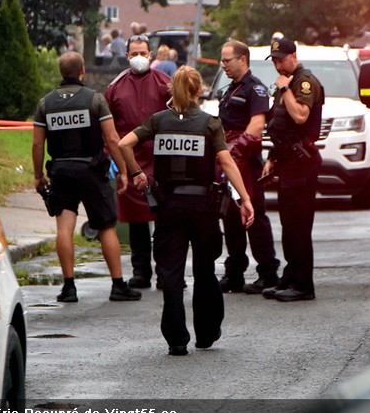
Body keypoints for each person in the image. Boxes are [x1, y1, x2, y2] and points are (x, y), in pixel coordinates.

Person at [118, 66, 255, 355]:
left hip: (169, 207)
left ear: (173, 91)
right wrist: (244, 198)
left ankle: (177, 339)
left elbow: (124, 143)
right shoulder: (209, 124)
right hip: (203, 207)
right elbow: (227, 163)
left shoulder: (158, 121)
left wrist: (136, 173)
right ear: (196, 91)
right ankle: (206, 333)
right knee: (205, 270)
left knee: (170, 274)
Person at [32, 51, 141, 303]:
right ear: (82, 71)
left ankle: (69, 287)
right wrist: (123, 170)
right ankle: (117, 285)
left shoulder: (45, 104)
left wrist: (38, 175)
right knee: (105, 226)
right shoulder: (95, 100)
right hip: (92, 171)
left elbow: (38, 145)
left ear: (62, 73)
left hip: (61, 171)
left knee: (64, 228)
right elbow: (112, 139)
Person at [104, 34, 172, 289]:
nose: (139, 58)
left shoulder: (166, 83)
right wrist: (112, 158)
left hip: (163, 159)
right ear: (127, 56)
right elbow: (107, 125)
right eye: (134, 53)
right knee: (136, 221)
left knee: (165, 219)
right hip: (130, 161)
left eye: (143, 53)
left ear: (151, 55)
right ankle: (141, 271)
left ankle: (167, 272)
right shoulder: (115, 87)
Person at [260, 37, 324, 302]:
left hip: (302, 163)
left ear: (293, 56)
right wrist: (272, 158)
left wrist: (286, 89)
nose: (277, 65)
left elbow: (300, 116)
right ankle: (291, 275)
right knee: (288, 224)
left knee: (299, 226)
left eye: (281, 59)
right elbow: (281, 126)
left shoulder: (304, 82)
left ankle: (303, 285)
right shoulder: (285, 83)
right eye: (274, 60)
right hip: (287, 161)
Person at [216, 40, 280, 294]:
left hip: (245, 160)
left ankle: (268, 272)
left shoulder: (256, 90)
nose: (223, 65)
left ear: (242, 60)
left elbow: (256, 127)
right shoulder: (228, 90)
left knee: (254, 216)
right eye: (222, 60)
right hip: (229, 159)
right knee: (229, 217)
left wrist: (234, 153)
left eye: (227, 60)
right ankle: (234, 273)